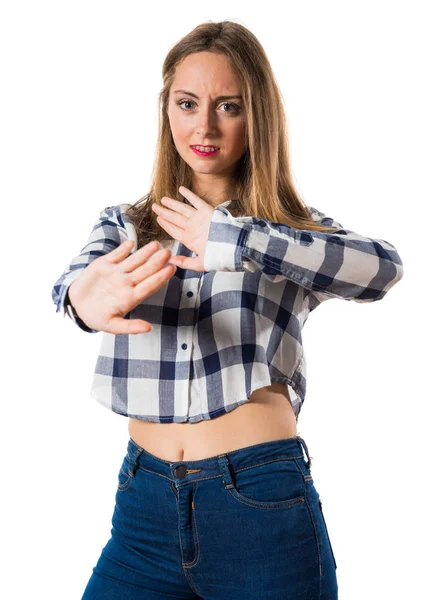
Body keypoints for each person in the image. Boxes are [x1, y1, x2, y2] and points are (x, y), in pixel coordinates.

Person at [51, 20, 404, 600]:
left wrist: (238, 241)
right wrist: (82, 301)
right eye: (188, 104)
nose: (204, 125)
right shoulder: (127, 225)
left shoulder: (290, 234)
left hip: (260, 504)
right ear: (167, 112)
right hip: (144, 505)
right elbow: (76, 284)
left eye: (229, 106)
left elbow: (383, 269)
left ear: (256, 115)